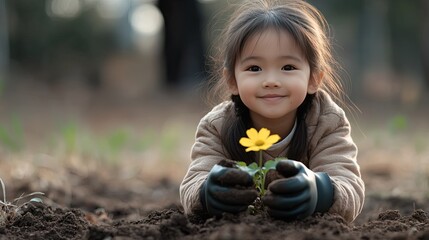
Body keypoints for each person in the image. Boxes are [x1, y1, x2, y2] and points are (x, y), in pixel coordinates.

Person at [179, 0, 365, 223]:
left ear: (314, 78)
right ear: (232, 80)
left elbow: (349, 186)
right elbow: (192, 185)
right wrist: (207, 193)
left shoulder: (327, 122)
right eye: (254, 68)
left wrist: (320, 192)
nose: (271, 81)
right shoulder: (216, 126)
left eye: (288, 67)